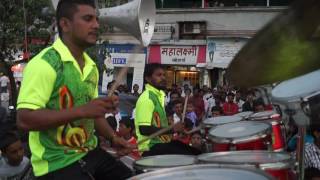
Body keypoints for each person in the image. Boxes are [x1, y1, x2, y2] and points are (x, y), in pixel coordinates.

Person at [16, 0, 134, 179]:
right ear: (65, 24)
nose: (96, 25)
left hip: (90, 153)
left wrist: (113, 137)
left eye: (96, 19)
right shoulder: (44, 64)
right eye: (88, 19)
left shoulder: (91, 66)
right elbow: (25, 119)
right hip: (56, 164)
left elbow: (94, 116)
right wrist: (82, 110)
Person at [135, 63, 201, 157]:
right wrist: (173, 129)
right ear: (148, 79)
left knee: (195, 152)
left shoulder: (158, 96)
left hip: (161, 143)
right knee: (190, 157)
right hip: (150, 147)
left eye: (164, 75)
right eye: (159, 75)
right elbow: (144, 129)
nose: (163, 78)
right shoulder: (147, 98)